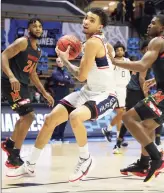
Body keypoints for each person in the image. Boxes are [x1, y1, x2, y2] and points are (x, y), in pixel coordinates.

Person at [7, 8, 118, 182]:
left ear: (100, 27)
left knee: (75, 117)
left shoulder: (93, 43)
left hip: (105, 94)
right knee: (50, 120)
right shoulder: (89, 43)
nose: (86, 21)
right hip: (87, 91)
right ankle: (30, 165)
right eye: (86, 18)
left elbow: (80, 76)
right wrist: (66, 60)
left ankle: (85, 159)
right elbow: (85, 72)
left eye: (92, 20)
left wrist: (65, 60)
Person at [111, 14, 164, 182]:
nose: (149, 25)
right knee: (146, 126)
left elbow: (142, 65)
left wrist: (115, 61)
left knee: (128, 117)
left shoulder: (157, 41)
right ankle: (143, 163)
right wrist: (155, 79)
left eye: (153, 23)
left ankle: (158, 158)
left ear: (162, 28)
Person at [1, 18, 54, 169]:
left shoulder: (38, 50)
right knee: (29, 116)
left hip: (23, 85)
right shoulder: (22, 42)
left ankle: (9, 143)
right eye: (34, 26)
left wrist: (44, 92)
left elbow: (32, 74)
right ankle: (14, 155)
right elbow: (3, 56)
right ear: (28, 29)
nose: (37, 28)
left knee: (24, 117)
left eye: (40, 26)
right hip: (9, 82)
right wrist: (11, 76)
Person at [102, 42, 131, 145]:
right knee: (121, 113)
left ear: (124, 51)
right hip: (115, 89)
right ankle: (116, 134)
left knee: (122, 114)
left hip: (125, 89)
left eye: (121, 50)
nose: (120, 51)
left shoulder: (127, 61)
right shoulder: (112, 61)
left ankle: (113, 133)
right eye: (117, 50)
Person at [45, 57, 75, 141]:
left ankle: (61, 136)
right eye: (58, 61)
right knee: (55, 117)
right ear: (56, 62)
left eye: (61, 61)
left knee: (65, 117)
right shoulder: (55, 72)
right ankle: (54, 137)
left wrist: (64, 82)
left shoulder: (66, 72)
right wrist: (66, 81)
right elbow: (60, 79)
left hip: (66, 99)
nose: (60, 62)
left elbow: (72, 84)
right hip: (57, 98)